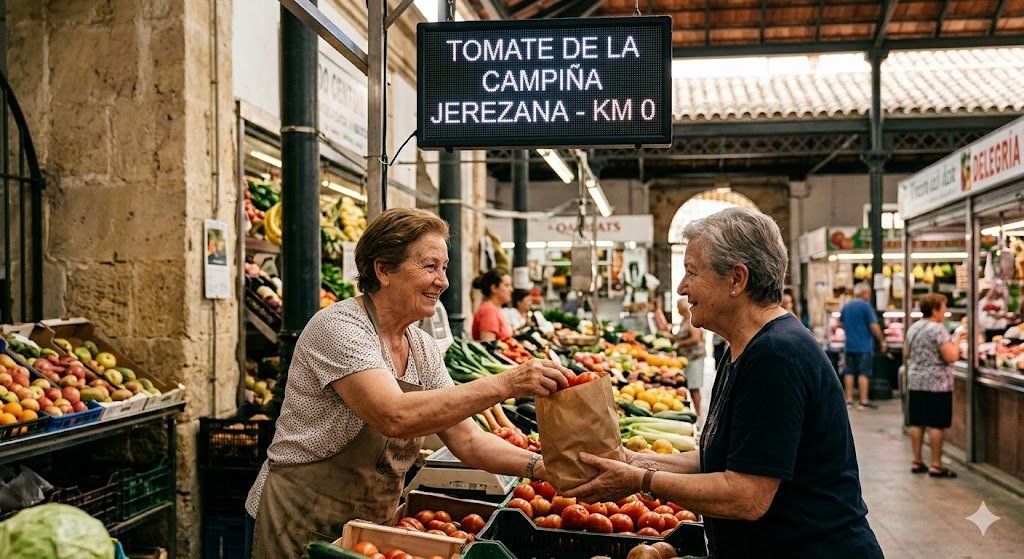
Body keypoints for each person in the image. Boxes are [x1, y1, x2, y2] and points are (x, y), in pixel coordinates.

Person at [245, 208, 571, 558]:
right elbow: (393, 416)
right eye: (430, 267)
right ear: (383, 269)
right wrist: (507, 384)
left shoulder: (422, 347)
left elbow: (469, 439)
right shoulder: (339, 328)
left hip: (370, 526)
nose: (443, 281)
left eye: (443, 268)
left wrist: (542, 468)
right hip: (300, 518)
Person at [562, 207, 882, 558]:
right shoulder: (744, 350)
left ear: (736, 279)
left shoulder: (776, 356)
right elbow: (724, 457)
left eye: (692, 273)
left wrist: (641, 481)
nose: (683, 287)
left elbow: (747, 495)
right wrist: (634, 461)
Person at [905, 293, 959, 478]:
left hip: (916, 380)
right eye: (943, 308)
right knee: (936, 423)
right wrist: (957, 340)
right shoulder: (938, 329)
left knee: (917, 422)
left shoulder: (913, 328)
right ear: (935, 309)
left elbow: (906, 353)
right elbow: (951, 356)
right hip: (937, 383)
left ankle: (917, 460)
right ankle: (936, 464)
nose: (945, 312)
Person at [838, 282, 887, 409]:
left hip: (849, 345)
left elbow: (840, 324)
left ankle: (848, 400)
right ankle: (863, 401)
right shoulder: (866, 306)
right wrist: (882, 339)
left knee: (849, 372)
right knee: (863, 373)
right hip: (863, 345)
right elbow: (874, 326)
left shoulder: (847, 305)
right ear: (864, 293)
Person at [674, 296, 705, 421]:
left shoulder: (692, 320)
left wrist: (679, 344)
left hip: (694, 357)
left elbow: (695, 338)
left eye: (678, 308)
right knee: (691, 385)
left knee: (694, 386)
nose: (677, 310)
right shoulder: (685, 320)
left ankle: (698, 415)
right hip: (688, 358)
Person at [471, 269, 513, 341]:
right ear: (494, 288)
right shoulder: (488, 311)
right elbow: (489, 346)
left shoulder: (495, 309)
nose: (511, 289)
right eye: (507, 285)